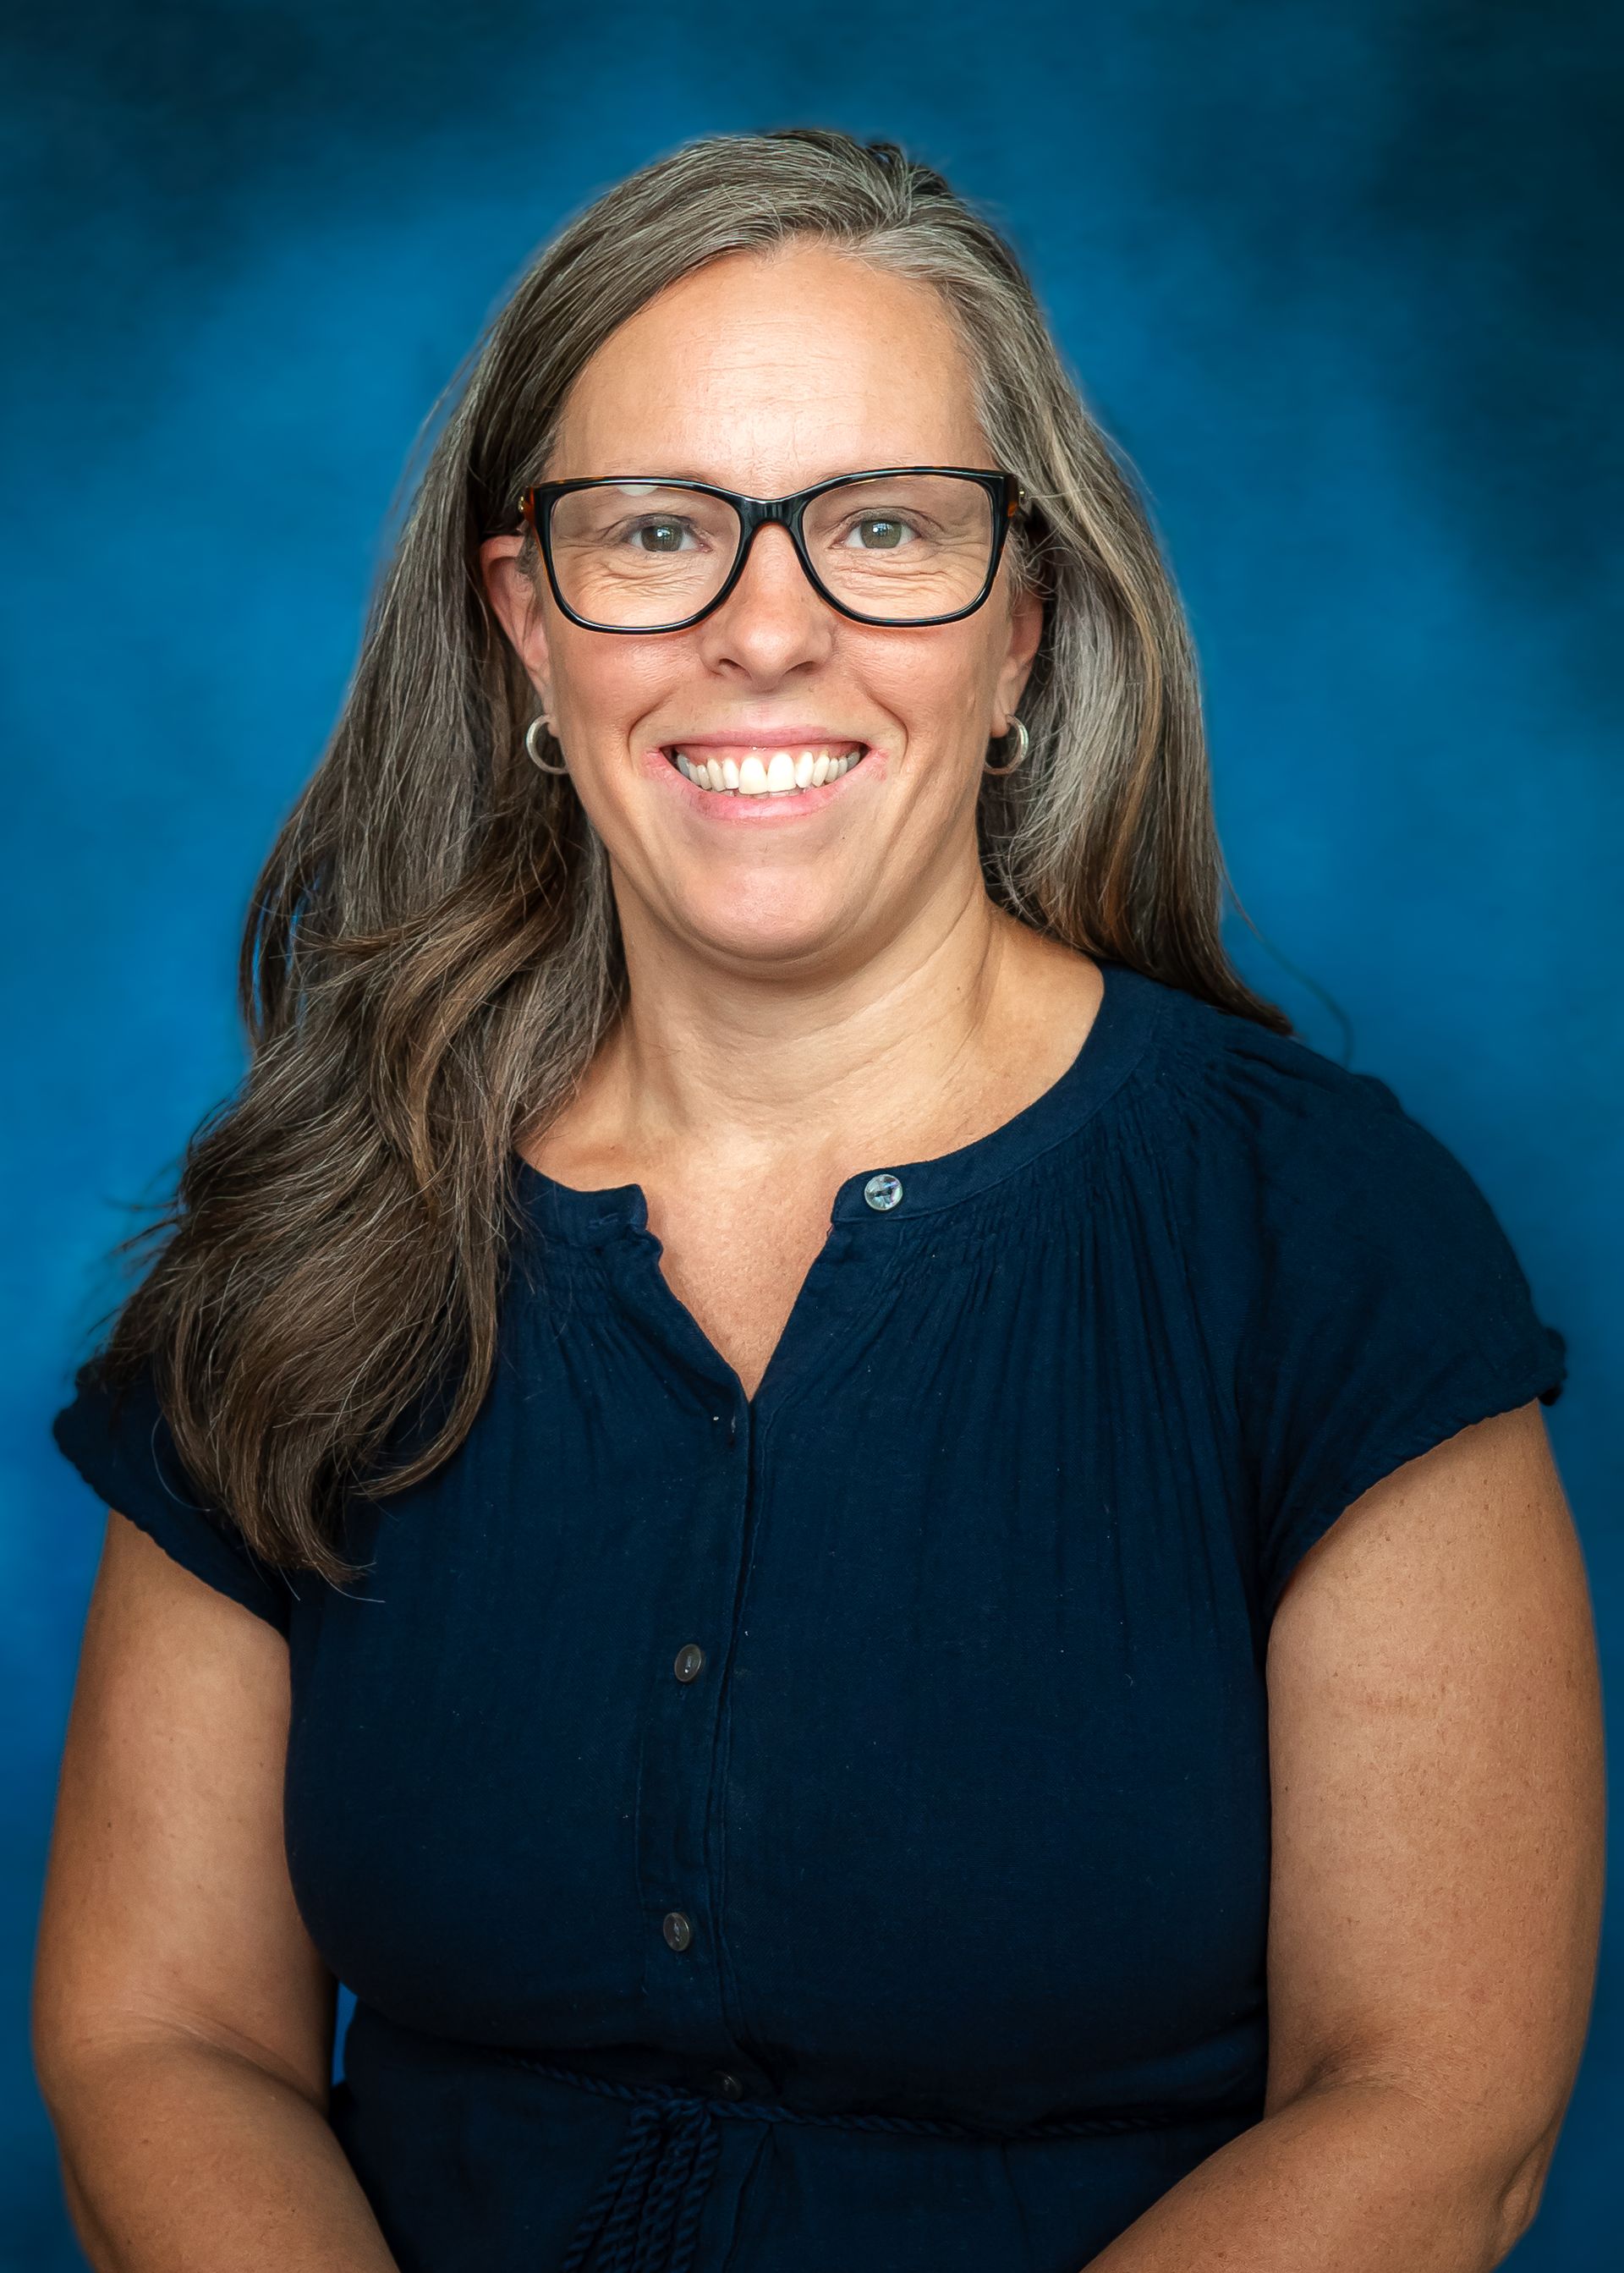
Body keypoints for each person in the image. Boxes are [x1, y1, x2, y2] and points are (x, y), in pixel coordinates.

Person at [34, 127, 1603, 2273]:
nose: (768, 632)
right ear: (526, 626)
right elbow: (158, 2033)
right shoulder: (315, 1229)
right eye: (661, 531)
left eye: (882, 528)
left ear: (1027, 625)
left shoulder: (1322, 1241)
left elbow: (1436, 2119)